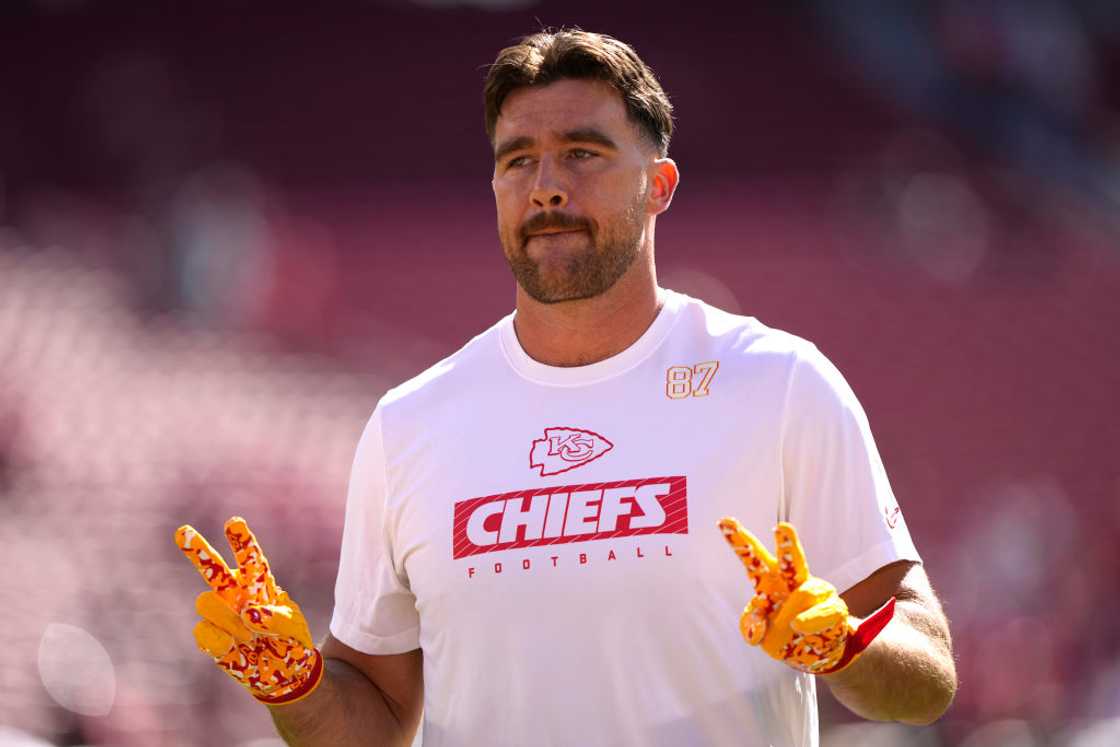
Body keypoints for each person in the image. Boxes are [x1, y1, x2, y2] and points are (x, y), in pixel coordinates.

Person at [176, 29, 957, 746]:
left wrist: (845, 643)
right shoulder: (411, 423)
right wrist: (298, 688)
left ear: (659, 184)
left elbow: (927, 675)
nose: (546, 185)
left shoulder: (779, 383)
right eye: (518, 159)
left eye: (583, 152)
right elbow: (374, 718)